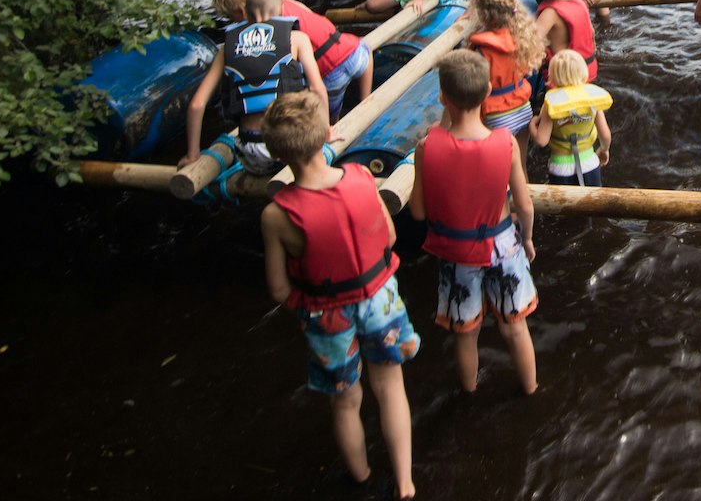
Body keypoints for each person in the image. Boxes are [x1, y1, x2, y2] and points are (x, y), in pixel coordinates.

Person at [259, 91, 418, 501]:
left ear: (277, 154)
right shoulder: (362, 178)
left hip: (326, 313)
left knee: (346, 403)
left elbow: (278, 288)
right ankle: (404, 483)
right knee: (390, 387)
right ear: (328, 134)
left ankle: (362, 476)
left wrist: (307, 307)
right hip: (380, 297)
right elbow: (392, 236)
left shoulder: (276, 215)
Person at [410, 50, 539, 395]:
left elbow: (418, 212)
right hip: (503, 246)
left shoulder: (426, 148)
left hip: (456, 252)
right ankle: (530, 389)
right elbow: (524, 206)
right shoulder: (506, 144)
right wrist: (526, 240)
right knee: (515, 328)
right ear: (486, 93)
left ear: (441, 96)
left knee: (465, 333)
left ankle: (468, 393)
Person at [181, 0, 328, 175]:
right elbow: (317, 89)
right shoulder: (297, 38)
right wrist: (327, 130)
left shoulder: (226, 48)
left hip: (251, 152)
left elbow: (196, 105)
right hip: (291, 146)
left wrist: (193, 154)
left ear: (246, 14)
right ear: (282, 10)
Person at [214, 0, 371, 122]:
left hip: (332, 73)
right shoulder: (287, 2)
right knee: (365, 49)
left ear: (243, 12)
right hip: (355, 52)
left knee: (325, 116)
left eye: (231, 17)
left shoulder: (274, 30)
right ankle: (366, 102)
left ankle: (334, 128)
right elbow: (313, 18)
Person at [464, 0, 546, 139]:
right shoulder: (522, 36)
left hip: (495, 115)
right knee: (518, 162)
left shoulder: (481, 50)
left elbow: (472, 89)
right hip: (523, 107)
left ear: (481, 13)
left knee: (497, 162)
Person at [530, 50, 612, 187]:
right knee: (593, 205)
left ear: (552, 75)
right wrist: (604, 150)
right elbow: (606, 135)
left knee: (564, 208)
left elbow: (541, 140)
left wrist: (532, 124)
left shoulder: (551, 102)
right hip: (589, 163)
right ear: (583, 71)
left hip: (560, 167)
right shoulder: (591, 99)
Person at [532, 0, 598, 88]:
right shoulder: (577, 0)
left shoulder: (550, 13)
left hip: (564, 76)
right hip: (587, 69)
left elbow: (530, 43)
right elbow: (591, 32)